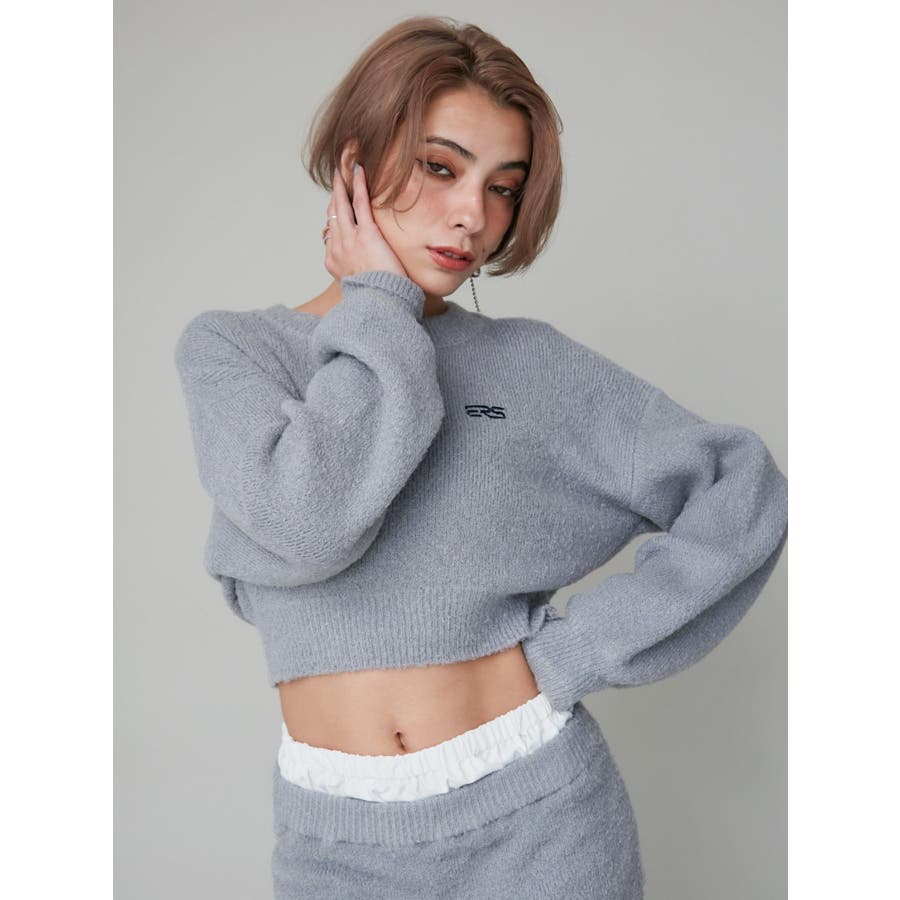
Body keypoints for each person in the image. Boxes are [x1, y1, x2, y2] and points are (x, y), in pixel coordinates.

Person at [173, 16, 788, 900]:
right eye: (440, 167)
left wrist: (573, 655)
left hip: (540, 821)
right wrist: (379, 305)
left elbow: (741, 490)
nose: (474, 215)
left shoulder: (528, 365)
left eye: (504, 187)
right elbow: (309, 523)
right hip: (335, 840)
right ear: (356, 160)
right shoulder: (237, 352)